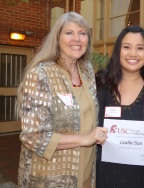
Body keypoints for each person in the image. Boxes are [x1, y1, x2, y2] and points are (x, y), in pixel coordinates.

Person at [17, 12, 107, 188]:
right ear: (57, 38)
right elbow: (32, 136)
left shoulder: (87, 70)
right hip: (52, 177)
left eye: (82, 33)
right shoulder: (41, 74)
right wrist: (85, 139)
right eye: (69, 33)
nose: (77, 39)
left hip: (87, 172)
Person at [95, 25, 144, 188]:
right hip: (105, 177)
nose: (133, 54)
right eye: (126, 47)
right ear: (118, 51)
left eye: (140, 48)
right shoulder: (101, 84)